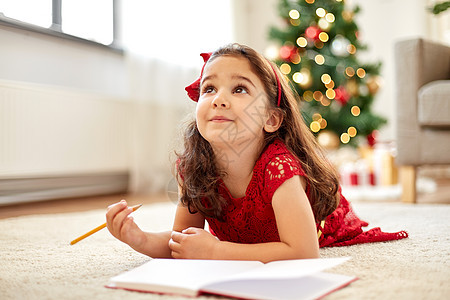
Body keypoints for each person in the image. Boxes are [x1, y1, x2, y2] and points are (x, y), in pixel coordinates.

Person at [106, 43, 407, 263]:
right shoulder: (196, 168)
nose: (219, 99)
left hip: (326, 228)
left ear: (271, 119)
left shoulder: (278, 168)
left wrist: (217, 251)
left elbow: (303, 252)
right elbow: (183, 240)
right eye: (209, 89)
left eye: (239, 90)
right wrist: (140, 239)